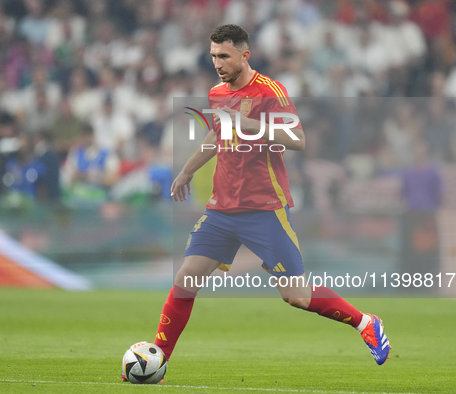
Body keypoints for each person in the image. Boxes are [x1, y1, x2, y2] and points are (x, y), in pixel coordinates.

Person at [123, 25, 391, 381]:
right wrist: (186, 171)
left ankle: (365, 323)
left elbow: (297, 139)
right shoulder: (218, 92)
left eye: (225, 56)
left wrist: (249, 124)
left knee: (296, 296)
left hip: (264, 209)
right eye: (214, 56)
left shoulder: (270, 91)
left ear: (244, 55)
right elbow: (216, 133)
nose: (218, 63)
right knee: (186, 277)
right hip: (222, 208)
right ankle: (157, 358)